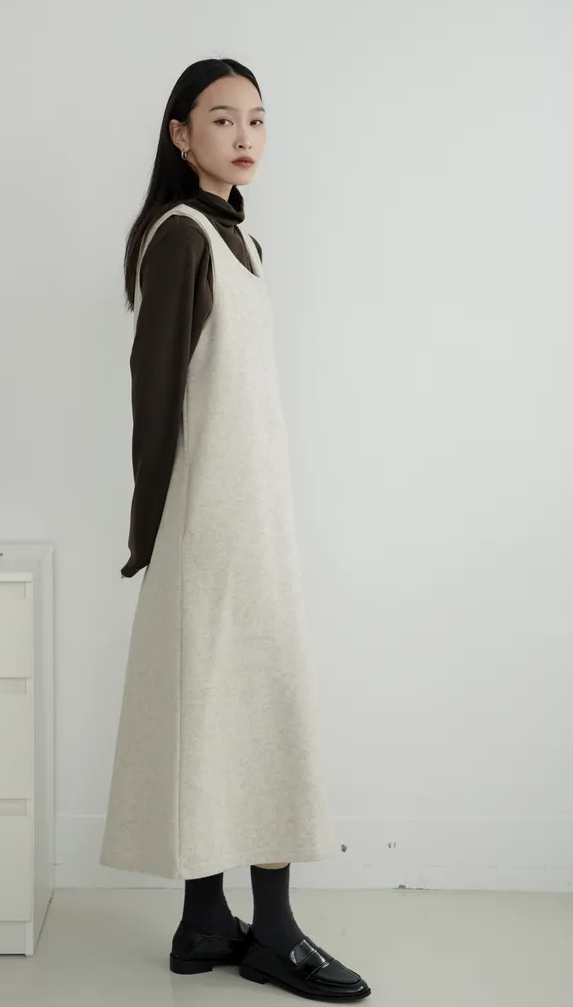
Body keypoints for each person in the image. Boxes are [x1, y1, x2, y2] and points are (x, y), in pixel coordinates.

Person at [99, 57, 371, 1001]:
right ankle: (275, 933)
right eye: (222, 119)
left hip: (251, 510)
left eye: (257, 118)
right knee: (251, 703)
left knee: (224, 707)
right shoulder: (181, 237)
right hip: (213, 520)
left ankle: (207, 921)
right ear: (181, 135)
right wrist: (149, 527)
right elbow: (153, 394)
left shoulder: (240, 238)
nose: (245, 135)